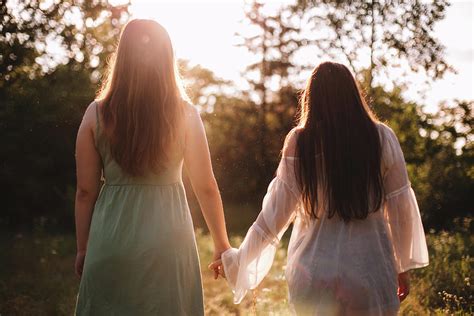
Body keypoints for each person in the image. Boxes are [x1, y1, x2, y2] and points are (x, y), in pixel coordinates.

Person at [210, 62, 429, 315]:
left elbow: (272, 218)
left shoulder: (300, 142)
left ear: (312, 99)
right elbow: (401, 209)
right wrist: (402, 267)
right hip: (370, 273)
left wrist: (238, 262)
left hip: (313, 276)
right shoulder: (381, 137)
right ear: (353, 94)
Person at [74, 19, 230, 315]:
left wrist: (84, 248)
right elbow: (206, 186)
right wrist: (222, 244)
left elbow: (85, 191)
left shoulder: (95, 113)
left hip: (110, 239)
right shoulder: (186, 113)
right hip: (168, 243)